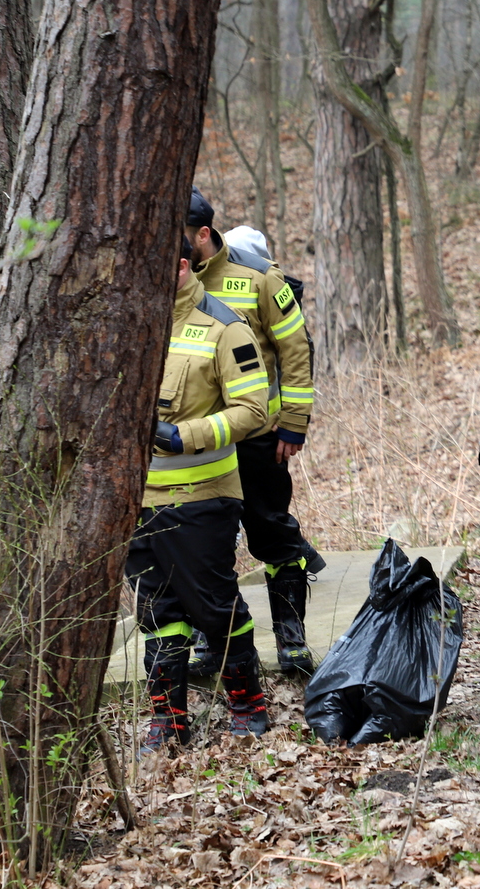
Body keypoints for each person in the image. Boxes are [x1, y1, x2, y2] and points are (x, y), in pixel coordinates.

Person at [129, 235, 272, 755]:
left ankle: (247, 704)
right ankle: (168, 721)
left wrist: (183, 435)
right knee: (156, 611)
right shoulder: (127, 322)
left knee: (214, 605)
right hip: (136, 503)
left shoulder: (225, 328)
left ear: (183, 265)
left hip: (203, 496)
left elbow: (256, 411)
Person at [184, 190, 321, 678]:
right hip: (198, 443)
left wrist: (294, 424)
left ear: (203, 234)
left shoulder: (260, 279)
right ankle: (209, 640)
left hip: (261, 437)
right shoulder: (168, 285)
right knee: (204, 545)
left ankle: (291, 637)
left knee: (273, 533)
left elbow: (296, 350)